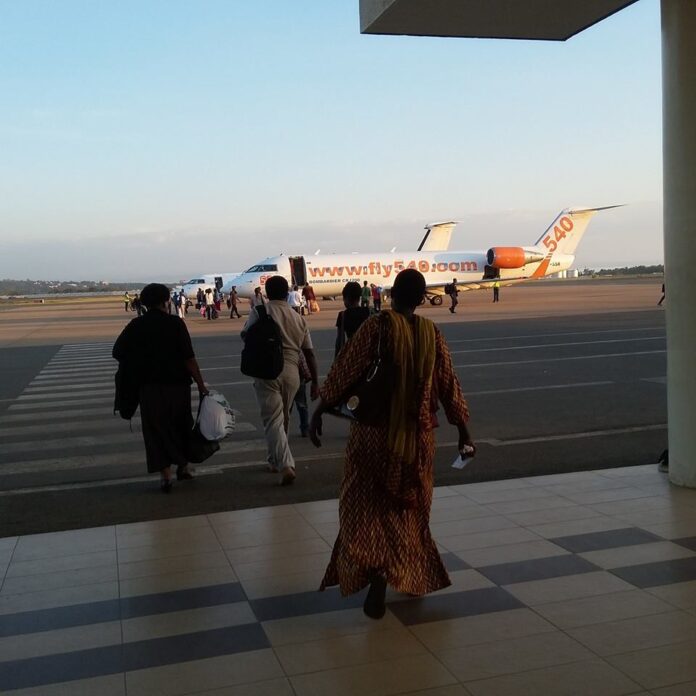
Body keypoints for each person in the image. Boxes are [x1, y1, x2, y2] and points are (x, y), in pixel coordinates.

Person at [309, 269, 474, 619]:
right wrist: (463, 431)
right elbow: (449, 385)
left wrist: (319, 410)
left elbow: (345, 370)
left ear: (390, 294)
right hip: (418, 441)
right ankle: (401, 572)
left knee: (361, 508)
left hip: (373, 436)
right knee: (409, 512)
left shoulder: (377, 327)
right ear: (419, 299)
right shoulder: (432, 333)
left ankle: (375, 570)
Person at [112, 283, 209, 493]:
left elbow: (118, 352)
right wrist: (201, 384)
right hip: (178, 386)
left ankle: (165, 477)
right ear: (166, 300)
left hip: (149, 388)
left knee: (155, 430)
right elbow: (188, 358)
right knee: (181, 425)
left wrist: (139, 361)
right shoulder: (175, 324)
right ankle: (183, 467)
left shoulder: (136, 325)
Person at [242, 275, 319, 485]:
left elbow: (245, 335)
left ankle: (286, 465)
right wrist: (316, 382)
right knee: (283, 417)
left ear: (267, 292)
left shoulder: (260, 312)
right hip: (292, 372)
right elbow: (309, 353)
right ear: (287, 293)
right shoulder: (298, 318)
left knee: (272, 420)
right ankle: (274, 460)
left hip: (267, 370)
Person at [335, 281, 371, 356]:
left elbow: (340, 341)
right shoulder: (368, 312)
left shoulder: (343, 315)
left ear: (346, 298)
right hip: (368, 353)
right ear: (359, 297)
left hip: (353, 354)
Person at [292, 352, 312, 437]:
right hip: (298, 382)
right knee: (302, 406)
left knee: (285, 407)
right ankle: (305, 428)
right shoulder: (297, 350)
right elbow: (304, 368)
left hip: (284, 381)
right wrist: (307, 377)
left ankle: (283, 429)